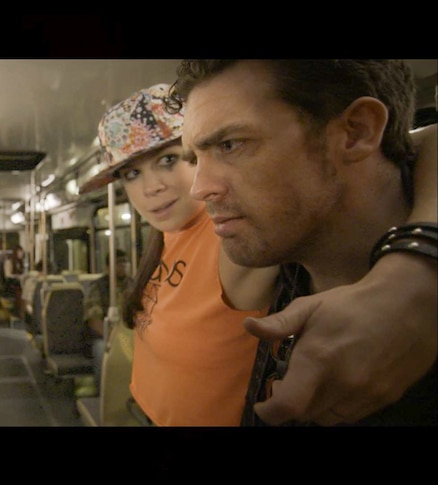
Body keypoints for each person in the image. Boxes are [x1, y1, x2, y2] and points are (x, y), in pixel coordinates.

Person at [168, 59, 437, 425]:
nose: (200, 189)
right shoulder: (287, 257)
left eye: (230, 145)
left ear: (356, 132)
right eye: (195, 158)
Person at [79, 85, 280, 425]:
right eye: (132, 173)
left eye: (168, 160)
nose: (150, 187)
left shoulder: (232, 234)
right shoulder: (165, 238)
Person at [75, 249, 133, 398]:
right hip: (103, 335)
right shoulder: (97, 287)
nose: (123, 266)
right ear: (108, 267)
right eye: (119, 263)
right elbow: (94, 319)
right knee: (102, 350)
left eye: (125, 262)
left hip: (131, 333)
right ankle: (105, 395)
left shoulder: (134, 285)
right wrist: (112, 337)